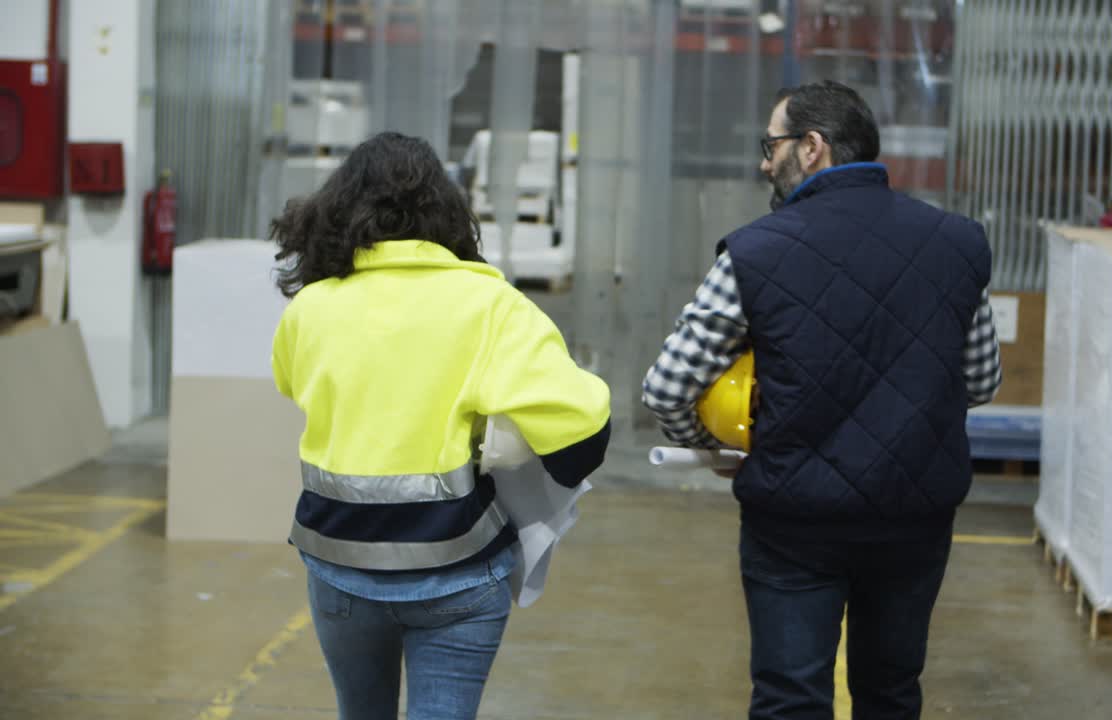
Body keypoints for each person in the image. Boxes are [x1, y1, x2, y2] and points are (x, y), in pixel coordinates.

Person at [641, 80, 1002, 720]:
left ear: (811, 148)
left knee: (791, 699)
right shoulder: (958, 243)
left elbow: (668, 388)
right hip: (914, 518)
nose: (763, 161)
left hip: (795, 522)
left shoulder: (755, 251)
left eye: (770, 144)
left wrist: (723, 445)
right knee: (891, 692)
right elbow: (979, 381)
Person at [270, 131, 612, 720]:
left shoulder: (312, 308)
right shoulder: (489, 306)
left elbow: (291, 384)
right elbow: (582, 429)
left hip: (338, 563)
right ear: (447, 212)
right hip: (454, 571)